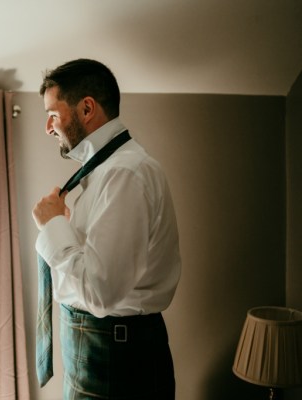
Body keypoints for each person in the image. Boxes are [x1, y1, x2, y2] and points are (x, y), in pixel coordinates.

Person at [32, 58, 181, 399]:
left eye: (53, 114)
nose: (48, 127)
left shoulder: (125, 174)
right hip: (97, 345)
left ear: (86, 109)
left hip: (114, 355)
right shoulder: (104, 172)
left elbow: (100, 292)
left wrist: (52, 225)